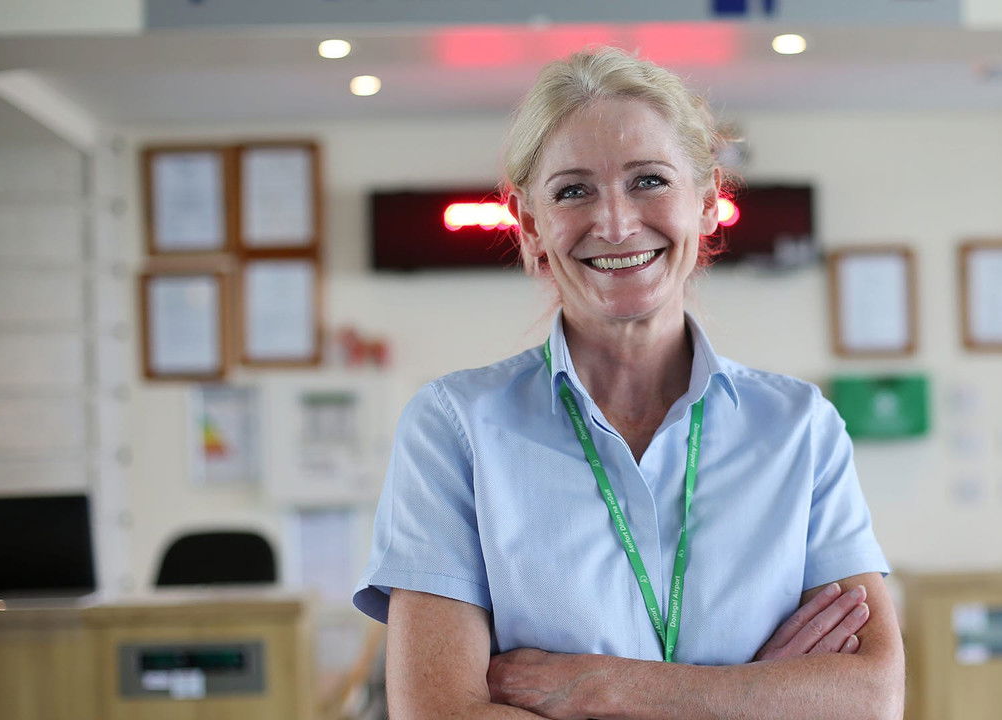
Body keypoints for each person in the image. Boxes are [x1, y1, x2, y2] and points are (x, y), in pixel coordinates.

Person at [353, 47, 904, 719]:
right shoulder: (455, 428)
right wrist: (752, 697)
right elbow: (441, 715)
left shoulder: (799, 428)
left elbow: (871, 699)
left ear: (706, 205)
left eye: (648, 180)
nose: (614, 222)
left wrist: (608, 689)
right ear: (530, 228)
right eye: (573, 190)